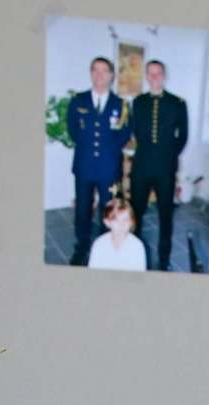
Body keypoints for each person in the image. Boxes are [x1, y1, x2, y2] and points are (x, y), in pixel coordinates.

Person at [66, 56, 131, 267]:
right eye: (95, 70)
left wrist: (106, 151)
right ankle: (81, 247)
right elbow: (73, 130)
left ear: (111, 76)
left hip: (109, 168)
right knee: (82, 209)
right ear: (91, 73)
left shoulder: (121, 105)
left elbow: (124, 133)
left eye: (104, 71)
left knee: (109, 209)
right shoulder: (78, 100)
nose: (99, 75)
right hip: (84, 166)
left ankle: (106, 247)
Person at [126, 59, 188, 272]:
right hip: (141, 166)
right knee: (136, 213)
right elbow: (134, 131)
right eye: (150, 74)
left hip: (165, 169)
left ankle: (164, 259)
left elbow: (183, 136)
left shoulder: (178, 103)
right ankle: (133, 253)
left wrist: (169, 155)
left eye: (158, 73)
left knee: (165, 216)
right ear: (146, 76)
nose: (154, 77)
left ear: (164, 75)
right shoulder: (138, 102)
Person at [87, 197, 148, 270]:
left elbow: (139, 277)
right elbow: (93, 273)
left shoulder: (137, 246)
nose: (121, 225)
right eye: (116, 220)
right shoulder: (99, 244)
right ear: (107, 222)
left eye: (125, 220)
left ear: (131, 222)